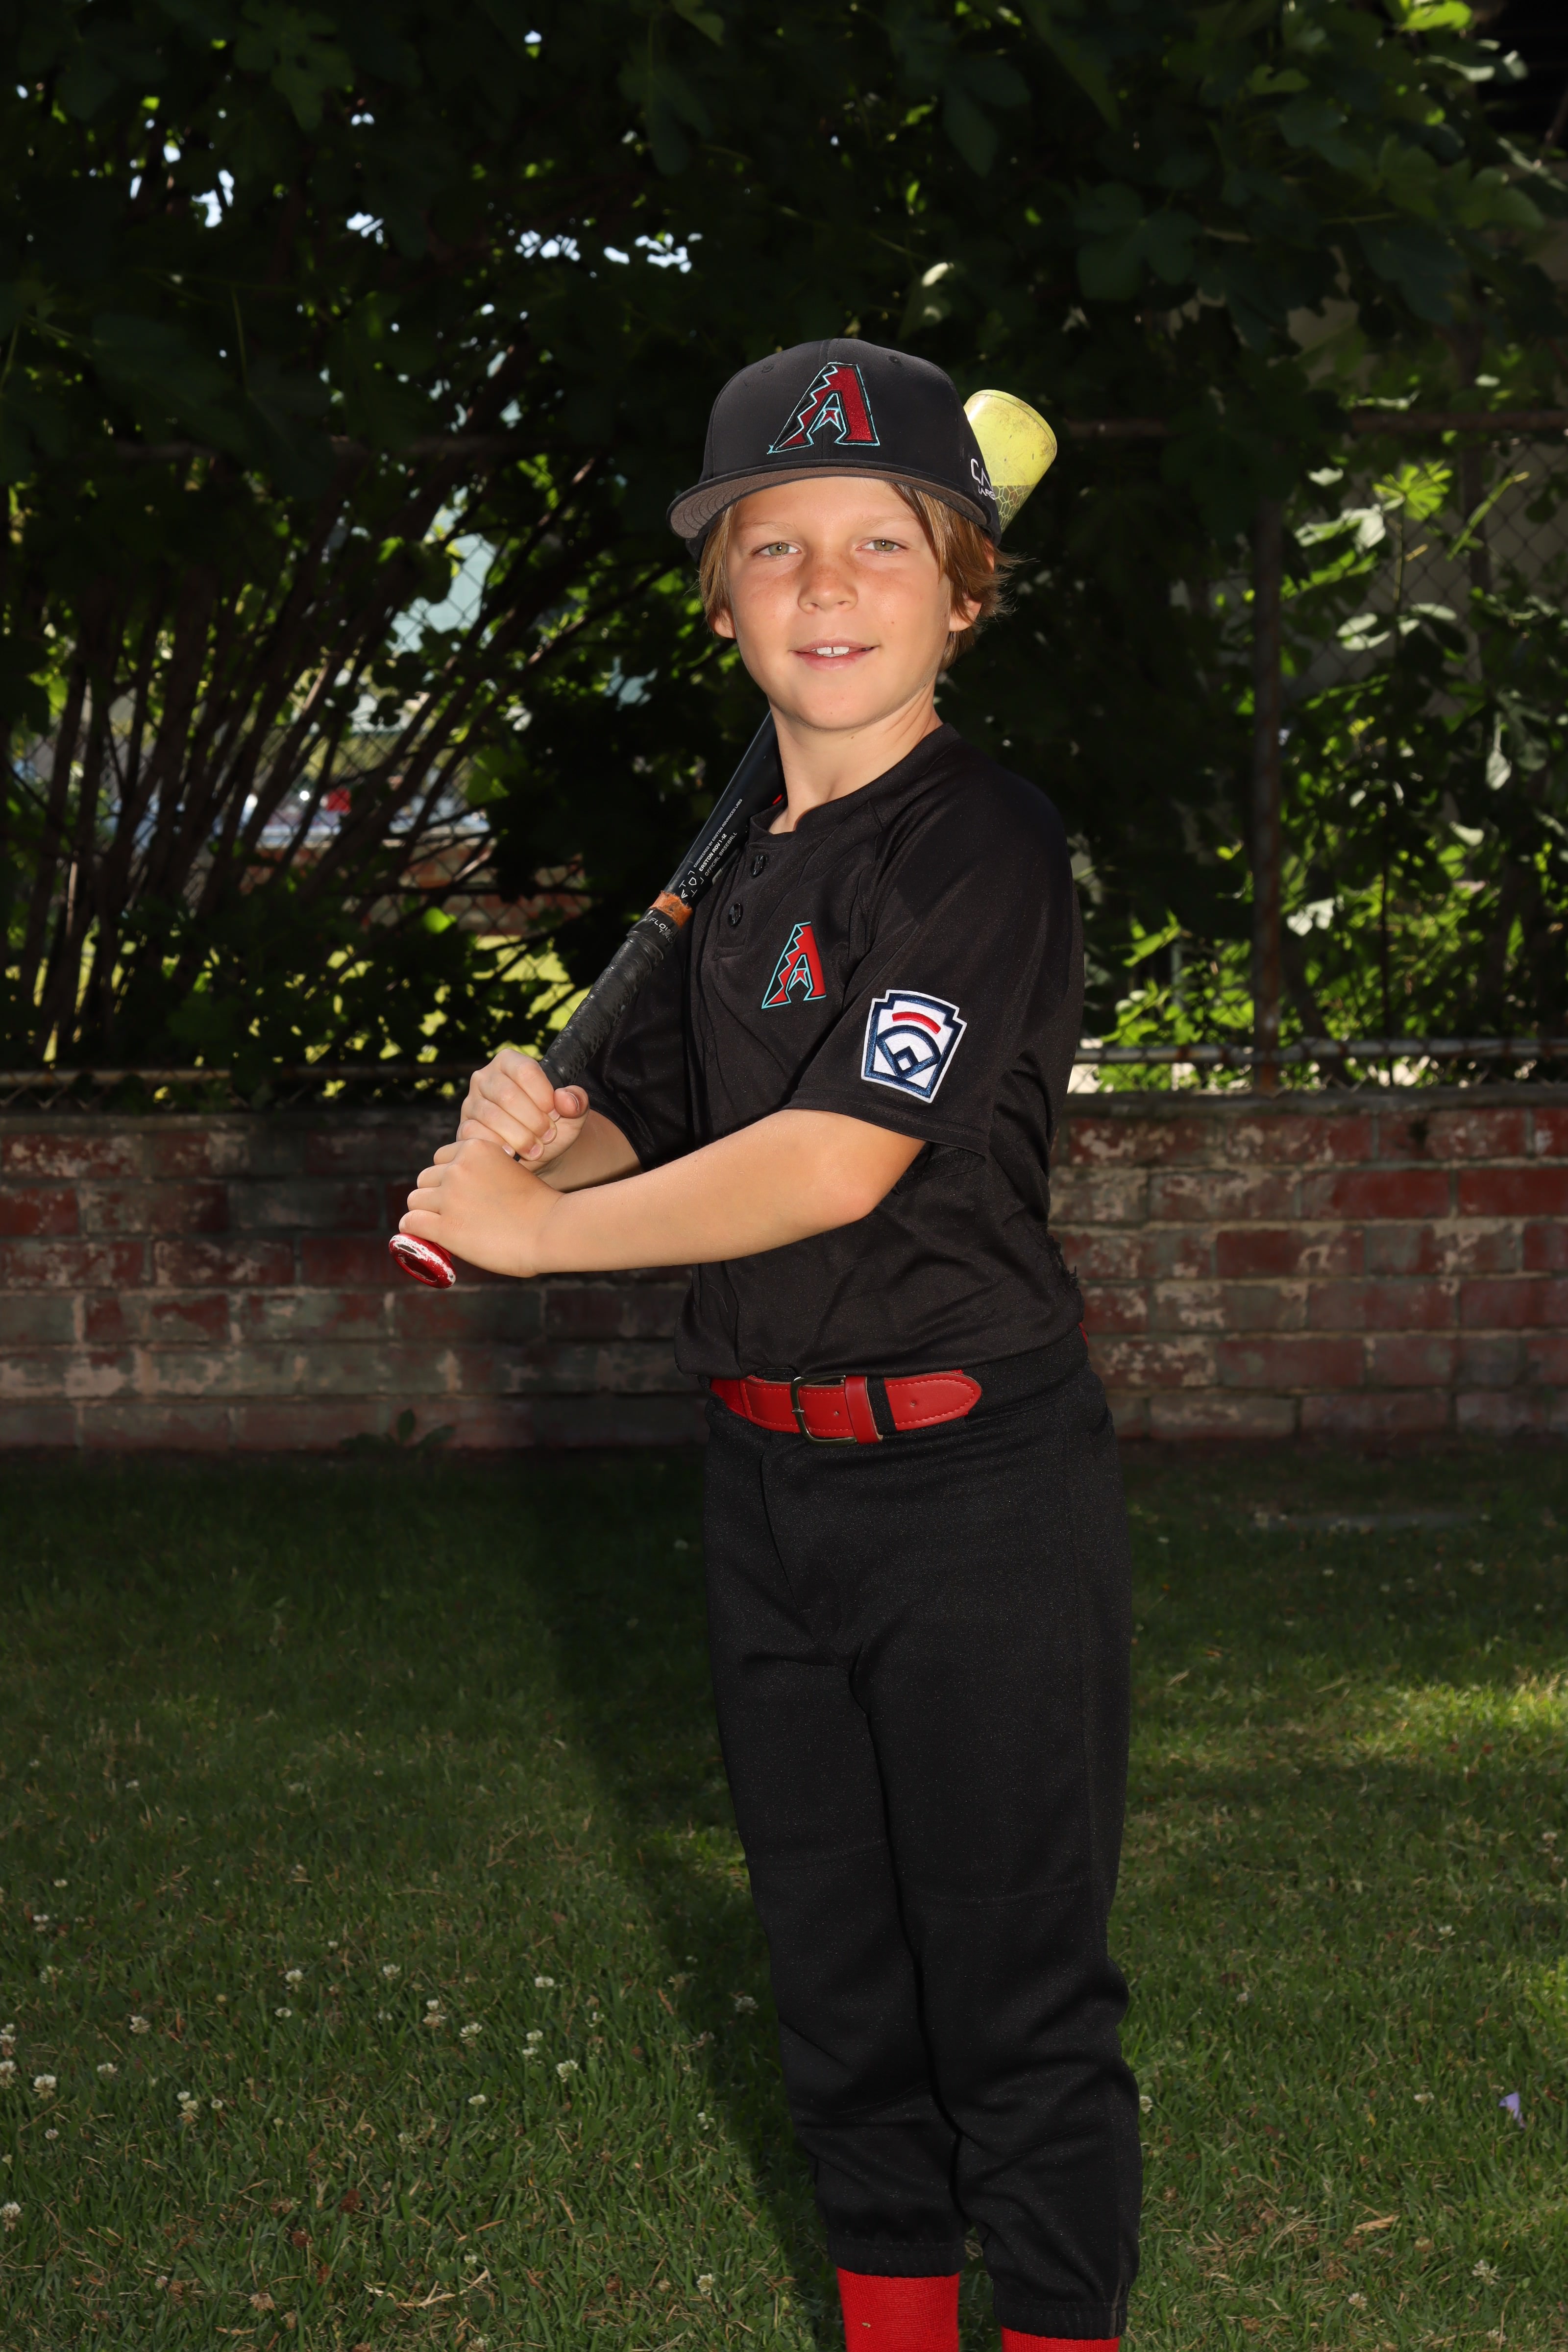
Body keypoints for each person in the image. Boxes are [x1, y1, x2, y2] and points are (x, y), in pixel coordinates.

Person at [398, 338, 1140, 2352]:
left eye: (881, 544)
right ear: (721, 598)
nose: (826, 585)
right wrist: (540, 1129)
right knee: (835, 1982)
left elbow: (831, 1157)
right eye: (775, 546)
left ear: (961, 594)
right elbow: (652, 1118)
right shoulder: (732, 875)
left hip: (973, 1489)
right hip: (769, 1487)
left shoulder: (978, 843)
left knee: (1010, 1996)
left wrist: (541, 1237)